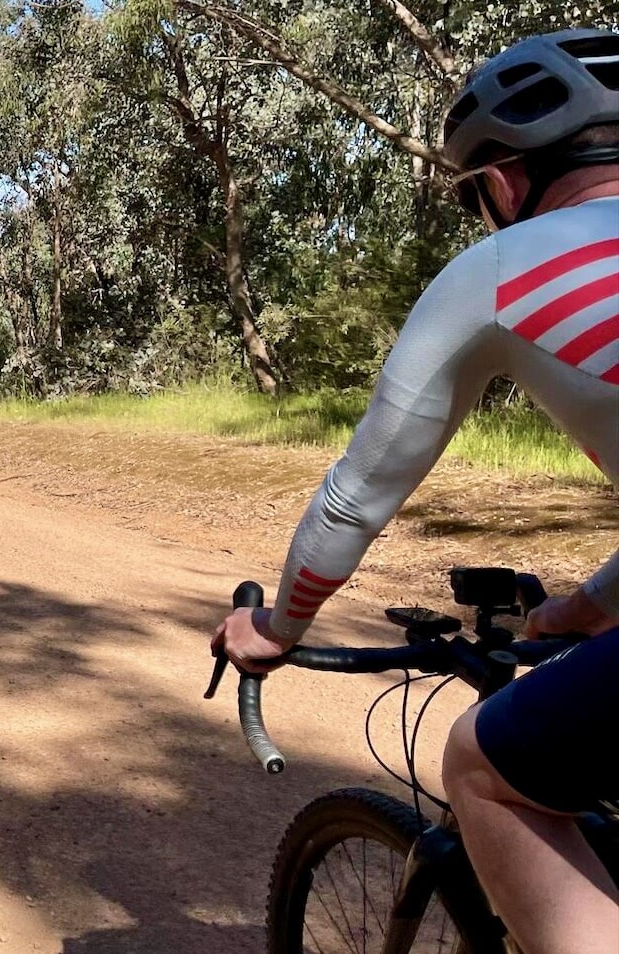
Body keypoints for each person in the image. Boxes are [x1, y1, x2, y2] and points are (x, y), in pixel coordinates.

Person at [213, 28, 619, 954]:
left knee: (482, 765)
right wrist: (593, 603)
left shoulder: (507, 267)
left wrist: (277, 628)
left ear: (505, 179)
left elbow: (356, 496)